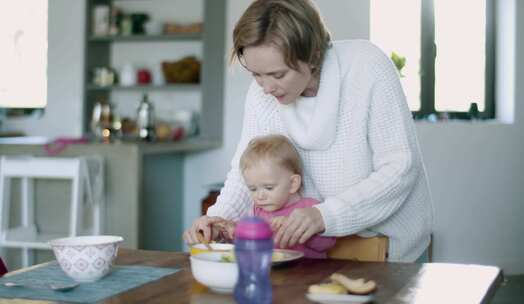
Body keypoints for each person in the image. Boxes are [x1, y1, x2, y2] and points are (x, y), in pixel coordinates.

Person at [183, 0, 433, 262]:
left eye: (277, 75)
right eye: (256, 75)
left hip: (387, 250)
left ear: (313, 55)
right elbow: (246, 170)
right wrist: (219, 218)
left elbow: (400, 167)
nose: (266, 87)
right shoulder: (262, 95)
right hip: (308, 254)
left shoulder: (367, 67)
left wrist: (325, 215)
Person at [215, 134, 336, 258]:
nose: (260, 196)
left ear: (293, 183)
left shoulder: (310, 208)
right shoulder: (256, 212)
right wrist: (232, 232)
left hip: (307, 273)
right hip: (270, 273)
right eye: (253, 189)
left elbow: (327, 244)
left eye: (269, 188)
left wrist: (299, 230)